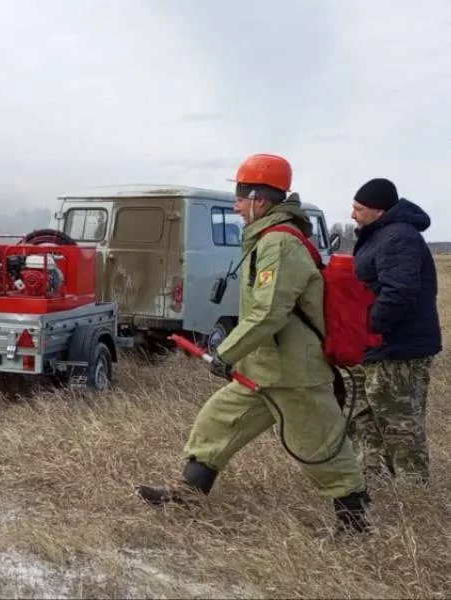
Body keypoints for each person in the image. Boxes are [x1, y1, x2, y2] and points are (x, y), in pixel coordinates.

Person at [135, 153, 370, 535]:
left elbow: (268, 314)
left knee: (319, 446)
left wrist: (223, 354)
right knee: (216, 423)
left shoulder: (279, 244)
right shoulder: (267, 239)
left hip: (295, 372)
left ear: (260, 199)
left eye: (242, 198)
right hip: (263, 368)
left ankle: (355, 522)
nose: (237, 206)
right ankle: (189, 494)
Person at [348, 177, 440, 483]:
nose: (352, 214)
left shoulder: (399, 238)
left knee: (399, 425)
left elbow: (399, 290)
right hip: (376, 347)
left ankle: (414, 496)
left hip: (399, 349)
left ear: (378, 210)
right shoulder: (380, 235)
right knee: (367, 419)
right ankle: (373, 483)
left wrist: (371, 326)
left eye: (358, 208)